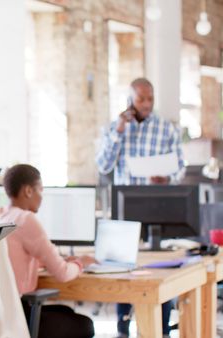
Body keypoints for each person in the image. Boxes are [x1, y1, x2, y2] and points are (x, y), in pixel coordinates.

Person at [96, 77, 183, 337]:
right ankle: (123, 326)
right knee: (124, 268)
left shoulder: (166, 128)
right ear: (130, 101)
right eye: (141, 99)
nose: (146, 104)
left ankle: (163, 327)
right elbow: (103, 165)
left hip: (157, 204)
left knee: (160, 267)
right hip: (126, 206)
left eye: (150, 98)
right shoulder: (116, 128)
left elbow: (179, 167)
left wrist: (167, 177)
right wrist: (119, 130)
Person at [0, 164, 96, 338]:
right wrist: (80, 263)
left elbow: (9, 256)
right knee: (85, 325)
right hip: (18, 316)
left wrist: (52, 258)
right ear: (28, 191)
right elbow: (63, 274)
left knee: (65, 311)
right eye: (40, 190)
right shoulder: (25, 219)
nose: (42, 196)